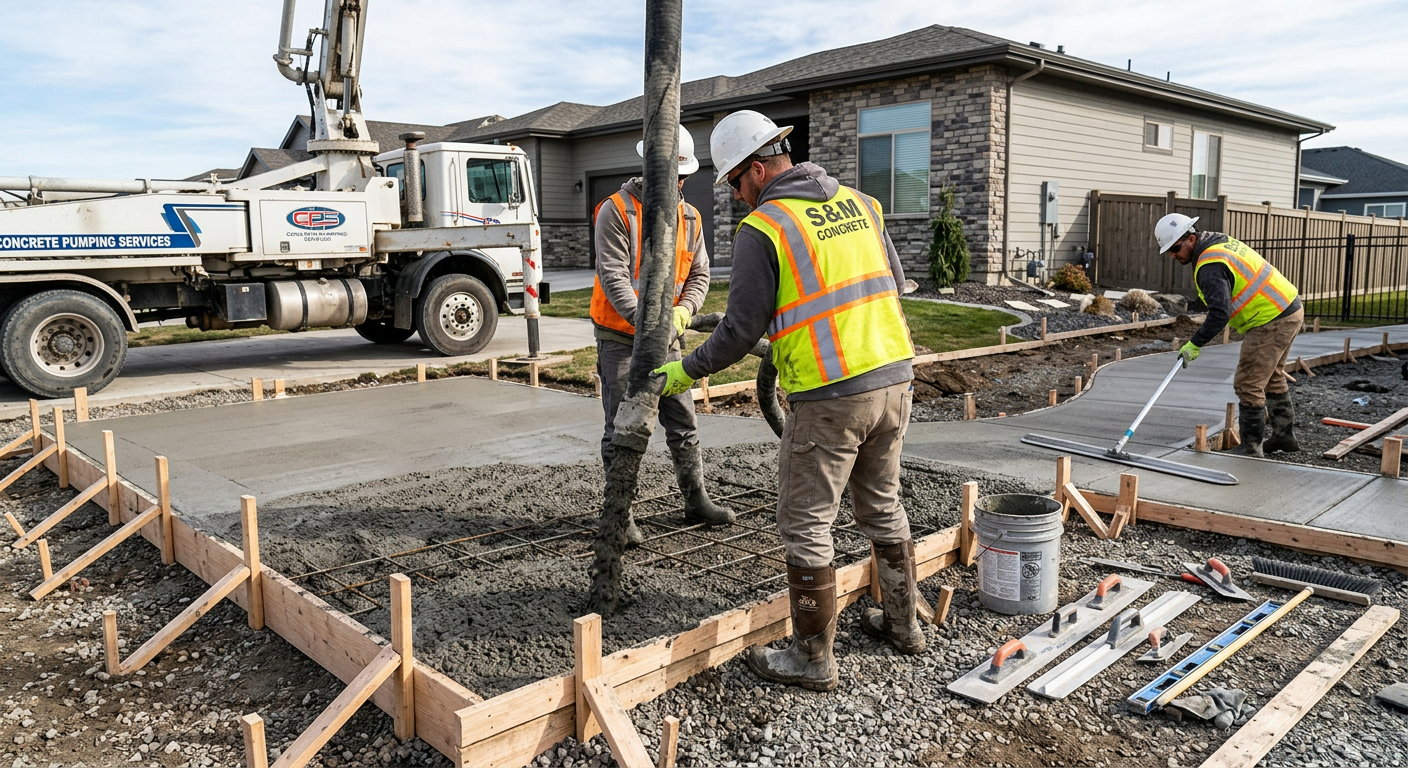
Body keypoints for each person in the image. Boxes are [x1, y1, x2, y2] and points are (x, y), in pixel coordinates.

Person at [654, 110, 923, 692]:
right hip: (895, 378)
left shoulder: (766, 227)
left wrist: (684, 371)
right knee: (882, 504)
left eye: (732, 182)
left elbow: (738, 332)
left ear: (755, 169)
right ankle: (905, 626)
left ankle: (812, 658)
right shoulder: (862, 204)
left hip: (830, 395)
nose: (733, 195)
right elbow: (889, 288)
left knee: (805, 523)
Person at [592, 123, 734, 544]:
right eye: (673, 176)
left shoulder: (689, 216)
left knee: (682, 418)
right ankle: (620, 514)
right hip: (621, 337)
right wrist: (647, 324)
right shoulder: (615, 210)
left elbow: (701, 274)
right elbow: (614, 276)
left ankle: (696, 499)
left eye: (684, 177)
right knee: (623, 425)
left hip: (667, 338)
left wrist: (684, 312)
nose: (679, 184)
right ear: (650, 169)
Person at [1156, 213, 1304, 456]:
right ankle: (1284, 438)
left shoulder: (1210, 265)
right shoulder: (1217, 242)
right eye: (1169, 251)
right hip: (1287, 308)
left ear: (1191, 239)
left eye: (1175, 248)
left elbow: (1219, 313)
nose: (1173, 255)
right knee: (1272, 377)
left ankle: (1251, 447)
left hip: (1270, 318)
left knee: (1248, 383)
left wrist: (1195, 343)